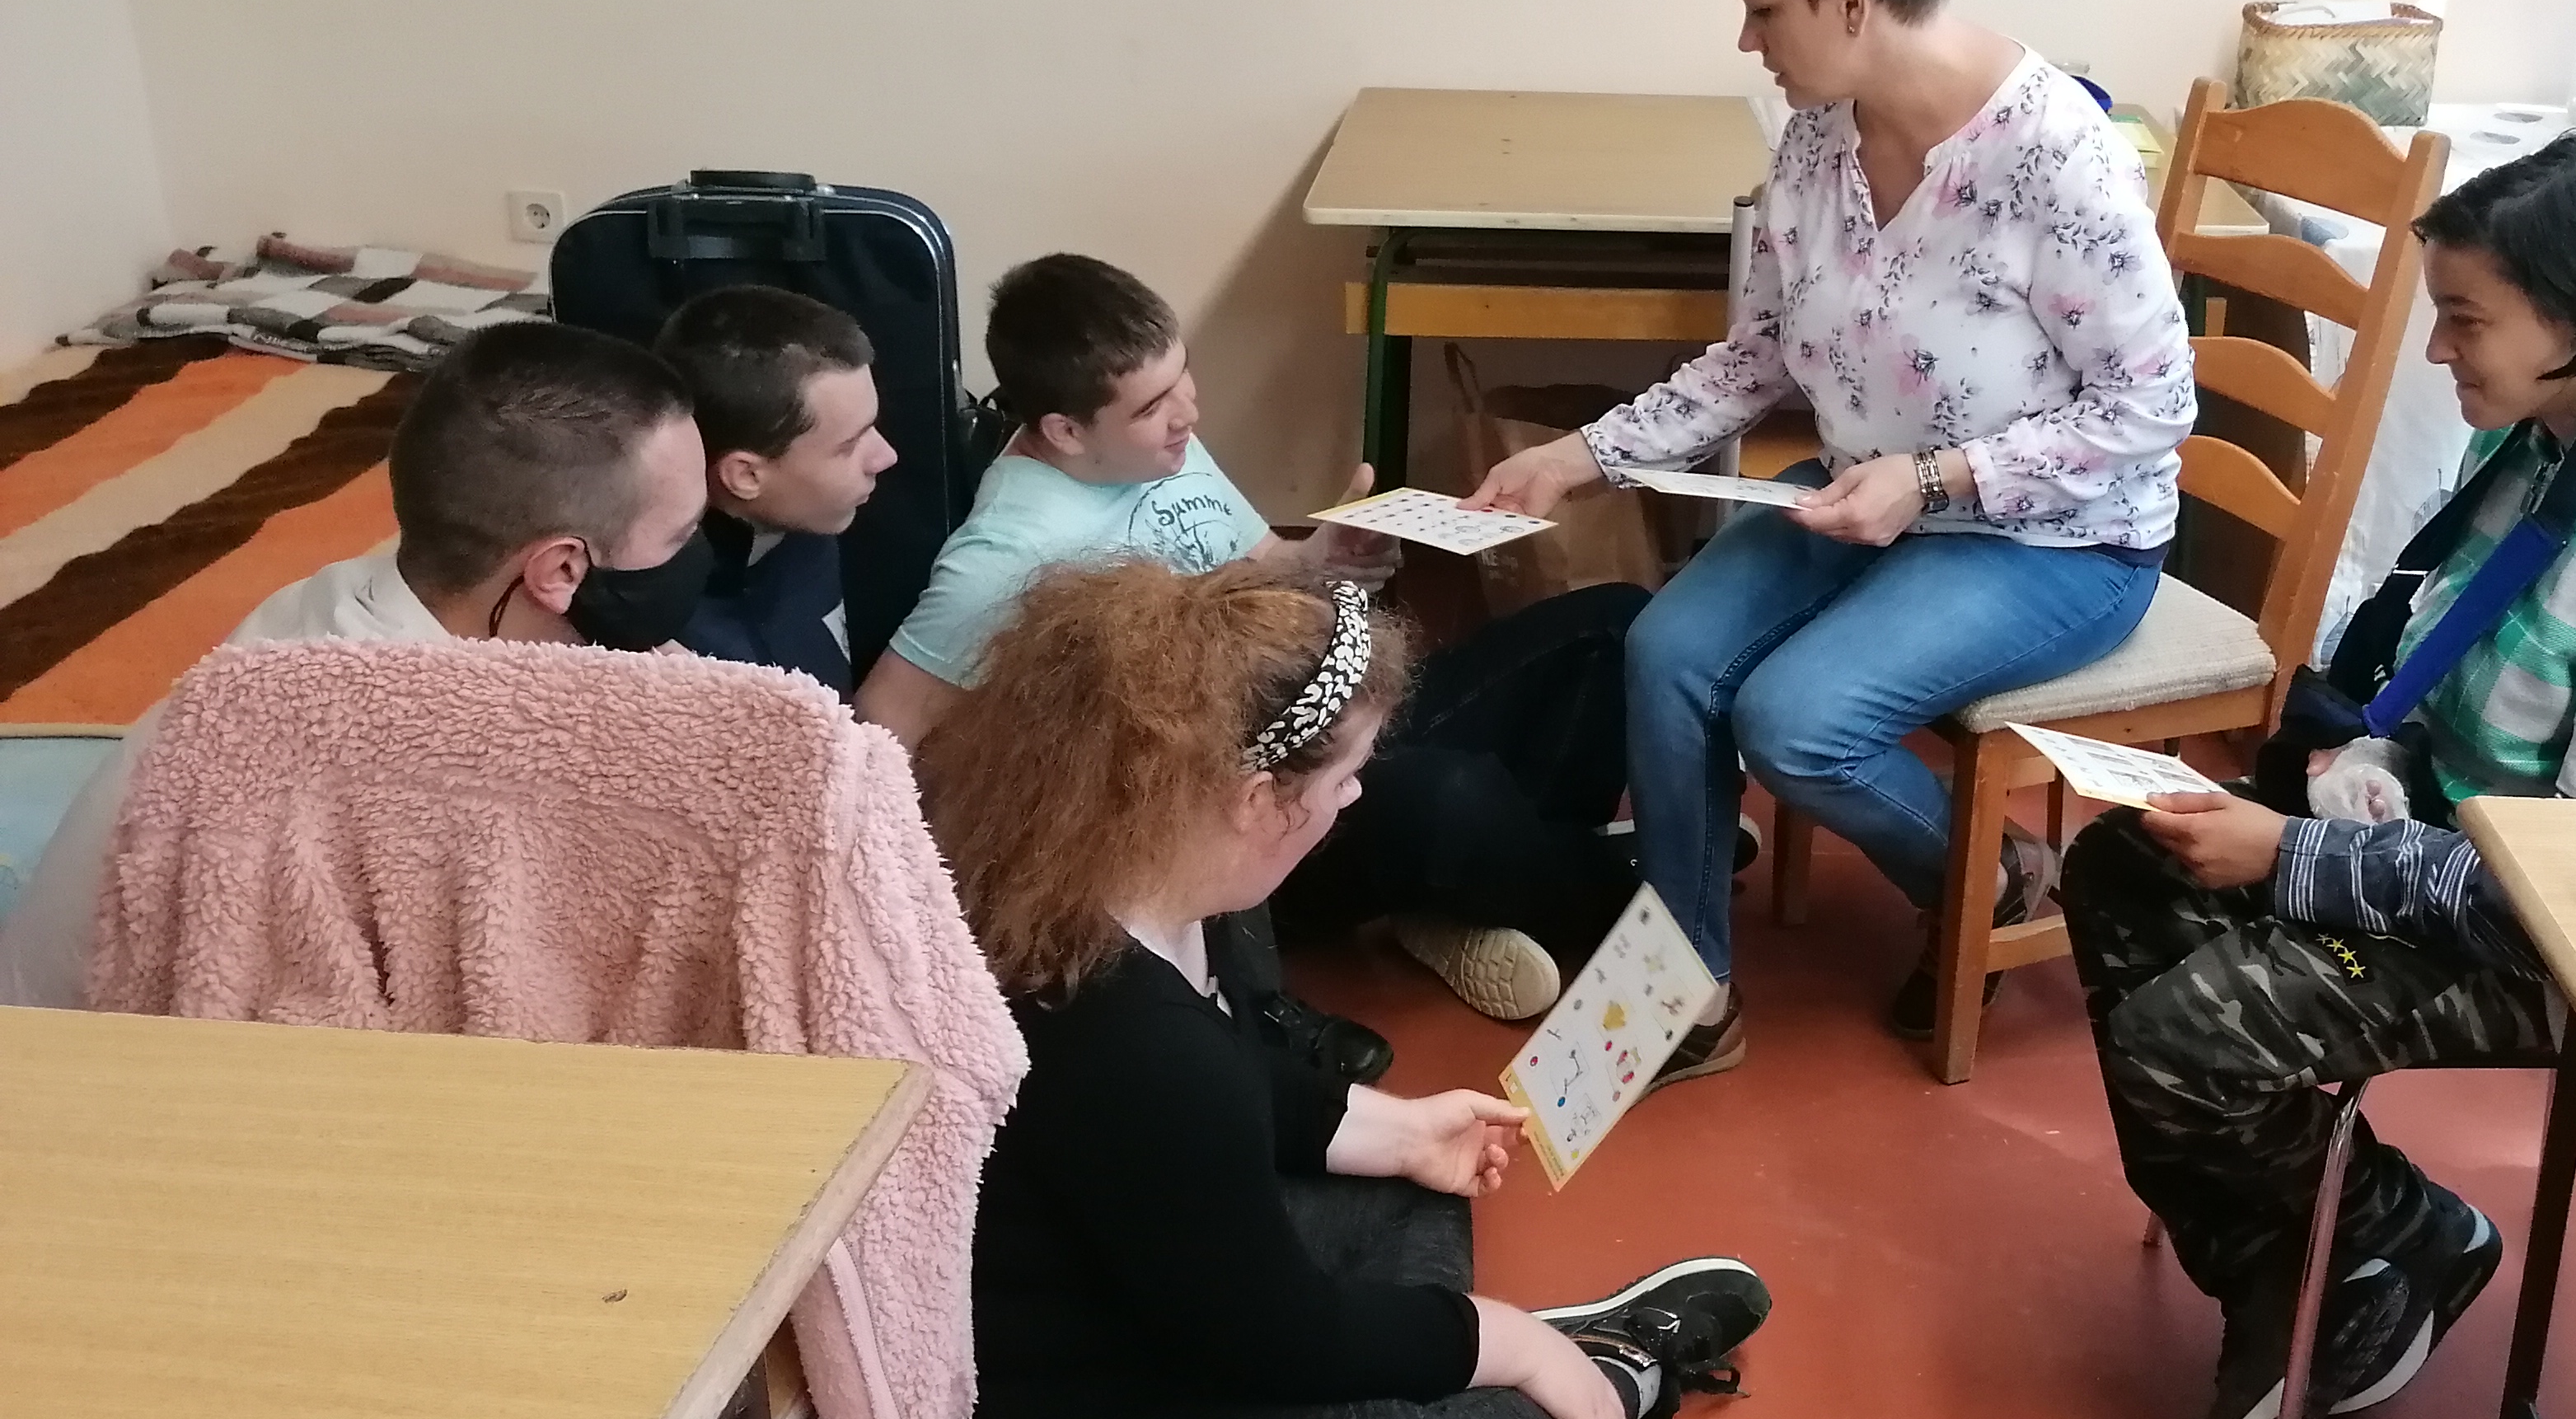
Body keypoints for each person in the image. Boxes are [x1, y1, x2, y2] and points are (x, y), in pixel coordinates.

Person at [2059, 130, 2576, 1419]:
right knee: (2118, 865)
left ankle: (2385, 1236)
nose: (2440, 349)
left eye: (2467, 319)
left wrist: (2302, 853)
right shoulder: (2551, 444)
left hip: (2569, 950)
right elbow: (2444, 667)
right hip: (2442, 843)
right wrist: (2363, 772)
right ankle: (2317, 1263)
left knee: (2183, 1038)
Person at [920, 559, 1770, 1419]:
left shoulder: (1099, 885)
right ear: (1255, 797)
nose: (1357, 798)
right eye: (1344, 776)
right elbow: (1270, 1333)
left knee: (1421, 1177)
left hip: (1138, 1345)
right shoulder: (1132, 1044)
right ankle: (1612, 1374)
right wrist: (1514, 1345)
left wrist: (1393, 1128)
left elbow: (1229, 1087)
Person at [1467, 0, 2193, 1072]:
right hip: (1866, 495)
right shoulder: (1816, 137)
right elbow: (1757, 357)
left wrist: (1939, 478)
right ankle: (1687, 989)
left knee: (1797, 721)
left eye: (1764, 7)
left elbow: (2151, 406)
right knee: (1665, 650)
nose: (1748, 39)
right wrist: (1580, 458)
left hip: (2057, 536)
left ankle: (1992, 878)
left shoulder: (2057, 156)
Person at [859, 253, 1646, 1021]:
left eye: (1182, 376)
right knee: (1448, 799)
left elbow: (1266, 567)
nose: (1188, 413)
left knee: (1612, 627)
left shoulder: (1153, 447)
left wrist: (1328, 558)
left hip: (1324, 715)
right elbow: (878, 733)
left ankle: (1478, 894)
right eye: (1152, 406)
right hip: (1244, 823)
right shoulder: (1003, 556)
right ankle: (1638, 900)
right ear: (1066, 430)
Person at [0, 321, 713, 1009]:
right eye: (681, 535)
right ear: (561, 570)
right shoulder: (401, 760)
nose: (698, 552)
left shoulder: (363, 592)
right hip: (91, 1059)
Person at [653, 284, 897, 693]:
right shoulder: (651, 632)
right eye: (849, 446)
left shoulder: (810, 523)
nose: (886, 456)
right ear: (746, 476)